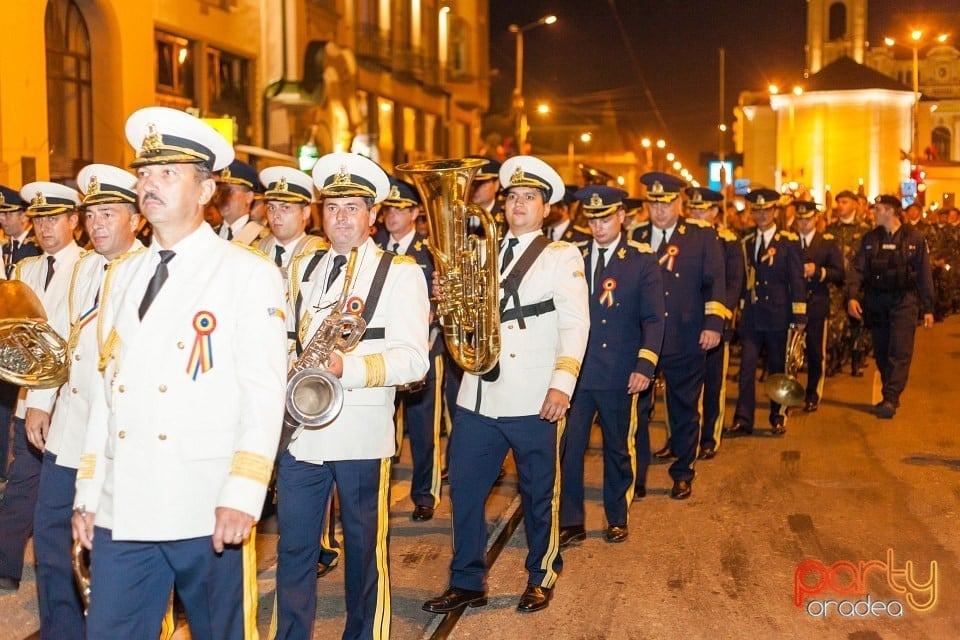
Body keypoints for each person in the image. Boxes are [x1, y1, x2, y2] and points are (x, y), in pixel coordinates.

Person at [71, 106, 288, 639]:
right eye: (145, 173)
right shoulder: (124, 275)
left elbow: (263, 395)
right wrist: (89, 492)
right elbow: (108, 391)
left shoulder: (247, 274)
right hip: (126, 504)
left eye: (168, 173)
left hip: (205, 502)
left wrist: (242, 493)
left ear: (206, 190)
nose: (150, 184)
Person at [423, 155, 589, 614]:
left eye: (529, 197)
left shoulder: (562, 255)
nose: (518, 203)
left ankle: (541, 574)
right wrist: (445, 300)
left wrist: (563, 384)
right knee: (467, 489)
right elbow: (463, 318)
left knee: (539, 494)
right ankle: (467, 580)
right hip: (478, 393)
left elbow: (576, 324)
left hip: (535, 395)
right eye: (512, 195)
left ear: (546, 208)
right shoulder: (479, 251)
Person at [275, 152, 429, 639]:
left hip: (360, 434)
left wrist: (349, 367)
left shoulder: (399, 272)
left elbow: (414, 360)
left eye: (352, 207)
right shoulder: (306, 267)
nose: (340, 217)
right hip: (302, 434)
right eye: (333, 206)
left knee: (364, 552)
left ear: (372, 214)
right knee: (295, 549)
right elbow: (288, 339)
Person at [28, 164, 143, 638]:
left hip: (118, 437)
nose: (97, 224)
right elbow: (59, 339)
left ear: (136, 219)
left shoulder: (149, 271)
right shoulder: (82, 268)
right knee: (52, 544)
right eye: (91, 214)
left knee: (111, 550)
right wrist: (39, 397)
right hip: (68, 430)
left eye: (108, 214)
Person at [559, 185, 663, 548]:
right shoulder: (574, 256)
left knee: (619, 448)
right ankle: (571, 521)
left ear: (622, 217)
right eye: (592, 219)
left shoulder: (641, 260)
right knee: (569, 449)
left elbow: (653, 318)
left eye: (605, 218)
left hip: (620, 371)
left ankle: (617, 517)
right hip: (578, 371)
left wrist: (645, 365)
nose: (598, 226)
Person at [0, 182, 82, 595]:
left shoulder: (88, 267)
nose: (45, 228)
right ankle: (5, 564)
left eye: (54, 219)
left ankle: (69, 570)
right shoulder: (25, 270)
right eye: (39, 220)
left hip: (68, 399)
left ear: (73, 221)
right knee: (21, 480)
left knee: (65, 489)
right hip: (26, 396)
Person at [629, 173, 724, 499]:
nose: (659, 210)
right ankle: (637, 475)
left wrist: (713, 324)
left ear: (679, 202)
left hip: (685, 334)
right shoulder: (636, 234)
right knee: (637, 412)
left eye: (666, 202)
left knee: (683, 407)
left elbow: (714, 281)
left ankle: (683, 472)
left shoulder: (699, 235)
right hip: (642, 340)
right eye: (653, 203)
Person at [372, 177, 444, 522]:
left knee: (422, 425)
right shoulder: (373, 246)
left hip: (425, 346)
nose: (392, 216)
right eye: (389, 208)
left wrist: (434, 320)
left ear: (415, 212)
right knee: (381, 420)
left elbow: (444, 296)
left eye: (400, 209)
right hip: (380, 349)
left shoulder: (430, 250)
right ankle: (379, 489)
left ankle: (425, 492)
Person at [845, 195, 935, 419]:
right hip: (877, 301)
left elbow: (924, 275)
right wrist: (852, 296)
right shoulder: (870, 239)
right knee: (882, 350)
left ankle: (891, 397)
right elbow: (857, 270)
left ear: (890, 211)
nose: (873, 212)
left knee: (900, 350)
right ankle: (889, 393)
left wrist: (928, 308)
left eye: (877, 209)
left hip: (904, 302)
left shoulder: (914, 238)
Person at [727, 189, 806, 437]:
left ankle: (778, 415)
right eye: (757, 211)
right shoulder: (746, 241)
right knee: (747, 370)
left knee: (777, 369)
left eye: (766, 211)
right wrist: (737, 308)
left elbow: (797, 280)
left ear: (774, 212)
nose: (761, 215)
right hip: (752, 316)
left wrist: (799, 316)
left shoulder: (788, 241)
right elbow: (742, 279)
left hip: (779, 315)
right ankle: (743, 419)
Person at [685, 187, 743, 460]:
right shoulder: (681, 238)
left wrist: (718, 319)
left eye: (702, 210)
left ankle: (709, 437)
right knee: (682, 387)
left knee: (713, 384)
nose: (696, 214)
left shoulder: (729, 241)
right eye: (693, 209)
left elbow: (733, 284)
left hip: (715, 323)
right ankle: (681, 441)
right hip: (685, 324)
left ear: (715, 212)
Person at [0, 186, 41, 487]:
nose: (2, 219)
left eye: (8, 213)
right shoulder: (5, 250)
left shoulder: (35, 251)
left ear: (24, 215)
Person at [794, 200, 844, 412]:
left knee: (815, 352)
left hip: (816, 302)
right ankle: (789, 393)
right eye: (800, 219)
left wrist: (819, 271)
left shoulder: (826, 242)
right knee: (791, 353)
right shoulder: (789, 241)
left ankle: (813, 393)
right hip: (793, 305)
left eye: (807, 219)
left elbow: (839, 273)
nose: (803, 223)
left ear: (816, 218)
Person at [825, 190, 871, 377]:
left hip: (858, 283)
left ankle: (856, 359)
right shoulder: (831, 230)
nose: (840, 206)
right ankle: (835, 357)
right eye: (838, 202)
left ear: (854, 204)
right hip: (835, 283)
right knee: (835, 323)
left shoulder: (866, 230)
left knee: (857, 323)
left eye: (844, 202)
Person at [256, 166, 327, 281]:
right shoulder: (259, 248)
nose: (276, 215)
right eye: (271, 207)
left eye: (285, 208)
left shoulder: (317, 254)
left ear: (305, 212)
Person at [214, 159, 268, 245]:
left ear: (248, 197)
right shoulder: (210, 235)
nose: (223, 196)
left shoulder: (264, 240)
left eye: (229, 191)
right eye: (221, 190)